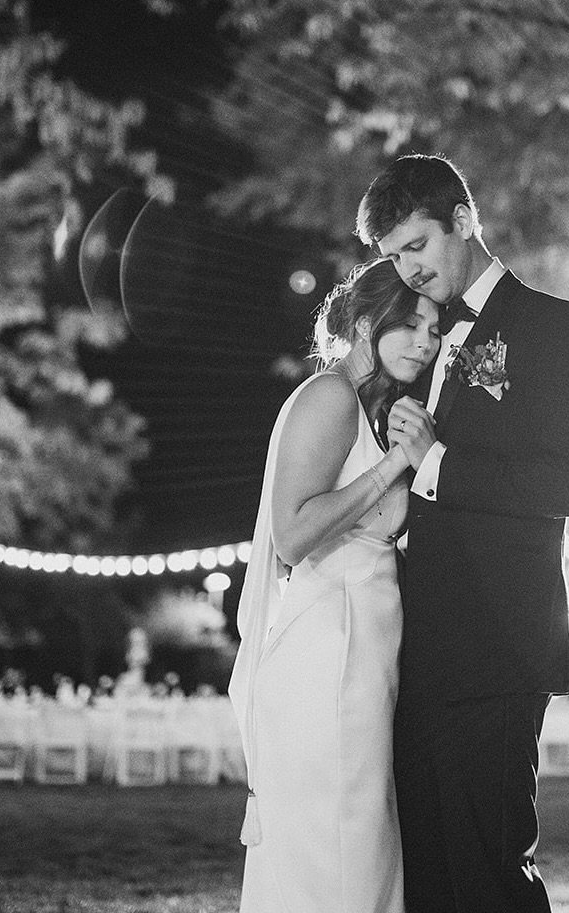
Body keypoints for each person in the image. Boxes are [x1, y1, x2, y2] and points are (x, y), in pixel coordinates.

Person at [357, 154, 569, 913]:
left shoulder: (548, 325)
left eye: (416, 245)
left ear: (463, 220)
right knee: (428, 876)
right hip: (420, 650)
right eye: (394, 255)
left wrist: (437, 463)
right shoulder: (423, 339)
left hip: (497, 646)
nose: (407, 269)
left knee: (488, 872)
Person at [228, 258, 440, 913]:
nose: (425, 342)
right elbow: (293, 533)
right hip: (327, 664)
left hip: (361, 661)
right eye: (411, 324)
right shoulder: (329, 397)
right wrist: (398, 467)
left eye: (434, 329)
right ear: (367, 322)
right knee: (341, 859)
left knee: (358, 854)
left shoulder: (374, 412)